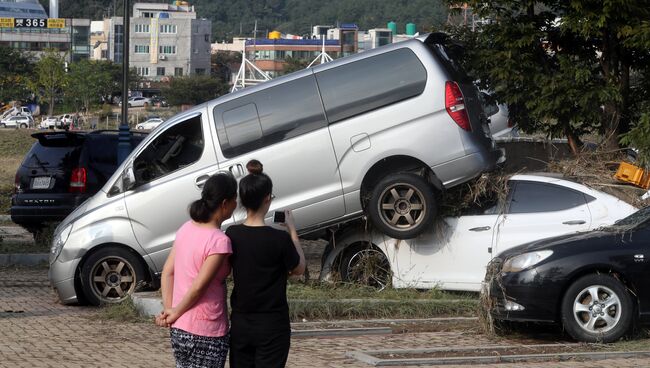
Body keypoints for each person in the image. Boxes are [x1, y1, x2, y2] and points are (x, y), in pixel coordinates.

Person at [227, 162, 306, 368]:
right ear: (267, 199)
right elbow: (299, 268)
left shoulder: (233, 234)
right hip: (272, 323)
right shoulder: (279, 239)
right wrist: (292, 230)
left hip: (241, 322)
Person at [155, 173, 238, 368]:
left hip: (180, 327)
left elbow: (168, 271)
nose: (236, 205)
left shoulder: (186, 228)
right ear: (225, 203)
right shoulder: (219, 241)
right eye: (235, 201)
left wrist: (170, 310)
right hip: (206, 329)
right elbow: (199, 287)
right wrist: (173, 313)